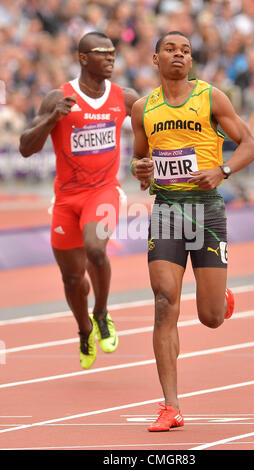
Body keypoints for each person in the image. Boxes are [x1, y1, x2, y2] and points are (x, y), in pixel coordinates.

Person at [130, 31, 254, 432]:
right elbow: (139, 162)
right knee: (165, 302)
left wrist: (221, 171)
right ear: (155, 59)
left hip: (207, 212)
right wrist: (141, 171)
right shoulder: (142, 108)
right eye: (171, 49)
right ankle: (170, 406)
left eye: (186, 50)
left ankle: (219, 297)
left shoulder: (211, 97)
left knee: (210, 318)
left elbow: (250, 145)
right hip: (168, 209)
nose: (179, 55)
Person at [19, 32, 139, 370]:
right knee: (72, 279)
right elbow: (26, 147)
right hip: (66, 199)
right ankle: (84, 329)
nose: (111, 58)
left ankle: (101, 314)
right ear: (83, 58)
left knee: (96, 248)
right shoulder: (60, 97)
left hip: (103, 191)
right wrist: (51, 118)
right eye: (103, 53)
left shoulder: (124, 97)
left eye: (114, 53)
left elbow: (154, 123)